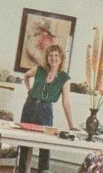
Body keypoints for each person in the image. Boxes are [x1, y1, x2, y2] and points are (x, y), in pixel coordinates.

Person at [17, 44, 75, 173]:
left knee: (45, 146)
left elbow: (66, 102)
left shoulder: (65, 79)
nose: (53, 58)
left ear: (61, 58)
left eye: (56, 55)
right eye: (50, 55)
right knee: (25, 144)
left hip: (46, 111)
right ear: (47, 57)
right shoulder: (39, 69)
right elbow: (26, 76)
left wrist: (71, 125)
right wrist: (29, 90)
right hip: (29, 107)